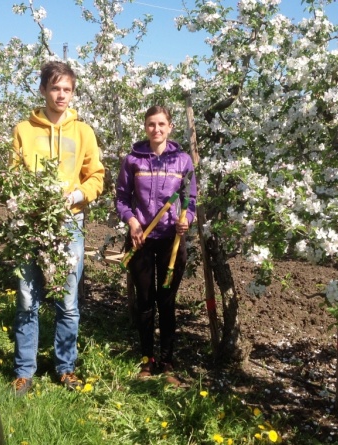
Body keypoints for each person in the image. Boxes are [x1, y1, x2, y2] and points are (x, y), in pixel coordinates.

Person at [10, 61, 105, 396]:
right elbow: (12, 176)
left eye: (67, 89)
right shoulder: (24, 129)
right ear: (43, 90)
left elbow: (96, 176)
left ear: (73, 91)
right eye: (55, 88)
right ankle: (24, 371)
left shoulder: (83, 132)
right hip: (30, 224)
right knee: (26, 297)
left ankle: (65, 368)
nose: (61, 95)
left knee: (67, 300)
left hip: (68, 224)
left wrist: (77, 195)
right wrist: (30, 199)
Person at [115, 105, 197, 385]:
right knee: (145, 302)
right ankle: (147, 360)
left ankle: (168, 362)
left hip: (172, 243)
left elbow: (191, 199)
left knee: (167, 302)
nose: (157, 129)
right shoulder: (133, 160)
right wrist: (132, 222)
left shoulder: (183, 161)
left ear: (170, 127)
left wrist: (187, 220)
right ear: (145, 127)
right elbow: (122, 198)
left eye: (162, 124)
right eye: (151, 124)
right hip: (141, 240)